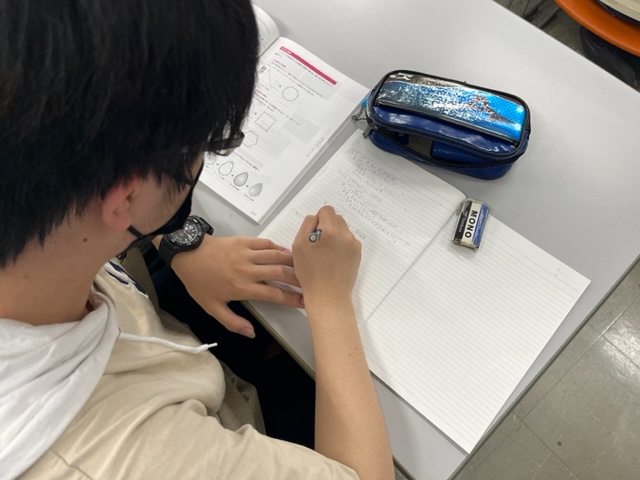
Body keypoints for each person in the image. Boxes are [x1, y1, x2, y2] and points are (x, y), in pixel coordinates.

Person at [0, 1, 394, 479]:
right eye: (207, 144)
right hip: (217, 414)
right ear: (126, 196)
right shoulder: (129, 456)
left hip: (160, 337)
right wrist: (329, 299)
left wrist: (180, 241)